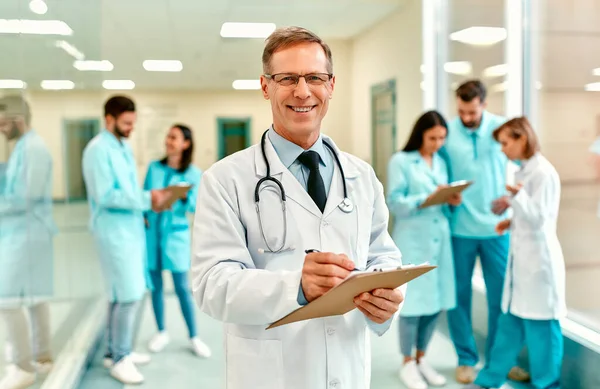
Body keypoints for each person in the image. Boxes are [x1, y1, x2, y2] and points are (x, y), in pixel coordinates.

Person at [191, 26, 405, 389]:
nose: (302, 91)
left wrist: (387, 297)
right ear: (265, 86)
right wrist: (296, 287)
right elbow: (211, 285)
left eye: (314, 78)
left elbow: (382, 256)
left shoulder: (361, 176)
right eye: (287, 78)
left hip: (347, 369)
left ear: (331, 85)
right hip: (271, 373)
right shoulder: (225, 180)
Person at [439, 80, 530, 384]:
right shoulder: (448, 132)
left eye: (472, 111)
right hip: (460, 229)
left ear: (484, 104)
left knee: (500, 300)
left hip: (495, 230)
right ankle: (466, 359)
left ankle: (500, 362)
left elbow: (525, 164)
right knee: (458, 298)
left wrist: (516, 199)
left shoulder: (502, 129)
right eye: (461, 111)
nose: (466, 117)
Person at [465, 117, 565, 389]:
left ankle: (547, 385)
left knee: (542, 333)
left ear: (522, 138)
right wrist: (511, 216)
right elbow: (531, 214)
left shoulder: (543, 173)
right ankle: (488, 381)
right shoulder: (525, 173)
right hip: (522, 267)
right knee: (508, 329)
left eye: (507, 143)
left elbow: (542, 219)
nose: (503, 149)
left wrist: (517, 199)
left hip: (539, 269)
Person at [82, 95, 171, 385]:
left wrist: (144, 209)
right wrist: (149, 199)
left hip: (130, 230)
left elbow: (127, 188)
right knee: (128, 295)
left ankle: (115, 352)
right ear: (109, 119)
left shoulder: (121, 146)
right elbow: (106, 195)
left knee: (122, 294)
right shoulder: (97, 150)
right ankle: (120, 359)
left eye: (133, 123)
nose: (131, 128)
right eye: (126, 123)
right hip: (112, 233)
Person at [387, 110, 459, 389]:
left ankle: (421, 358)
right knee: (413, 306)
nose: (438, 144)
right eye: (432, 138)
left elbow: (440, 198)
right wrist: (425, 199)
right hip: (413, 240)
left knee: (435, 303)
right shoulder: (401, 161)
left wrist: (449, 199)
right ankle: (407, 363)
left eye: (442, 138)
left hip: (439, 240)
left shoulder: (440, 162)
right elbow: (395, 202)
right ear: (420, 134)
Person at [0, 95, 56, 389]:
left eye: (2, 123)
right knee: (35, 298)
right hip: (27, 233)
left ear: (16, 119)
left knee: (6, 300)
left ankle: (22, 366)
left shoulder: (32, 149)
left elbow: (25, 196)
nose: (0, 129)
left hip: (27, 234)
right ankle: (43, 358)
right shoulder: (23, 147)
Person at [144, 124, 211, 358]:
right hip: (152, 234)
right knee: (155, 286)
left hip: (176, 235)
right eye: (168, 136)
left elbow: (196, 206)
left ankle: (194, 336)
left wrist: (179, 198)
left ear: (186, 143)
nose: (169, 141)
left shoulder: (194, 173)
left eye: (174, 137)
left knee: (183, 287)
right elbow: (145, 196)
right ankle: (161, 331)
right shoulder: (154, 168)